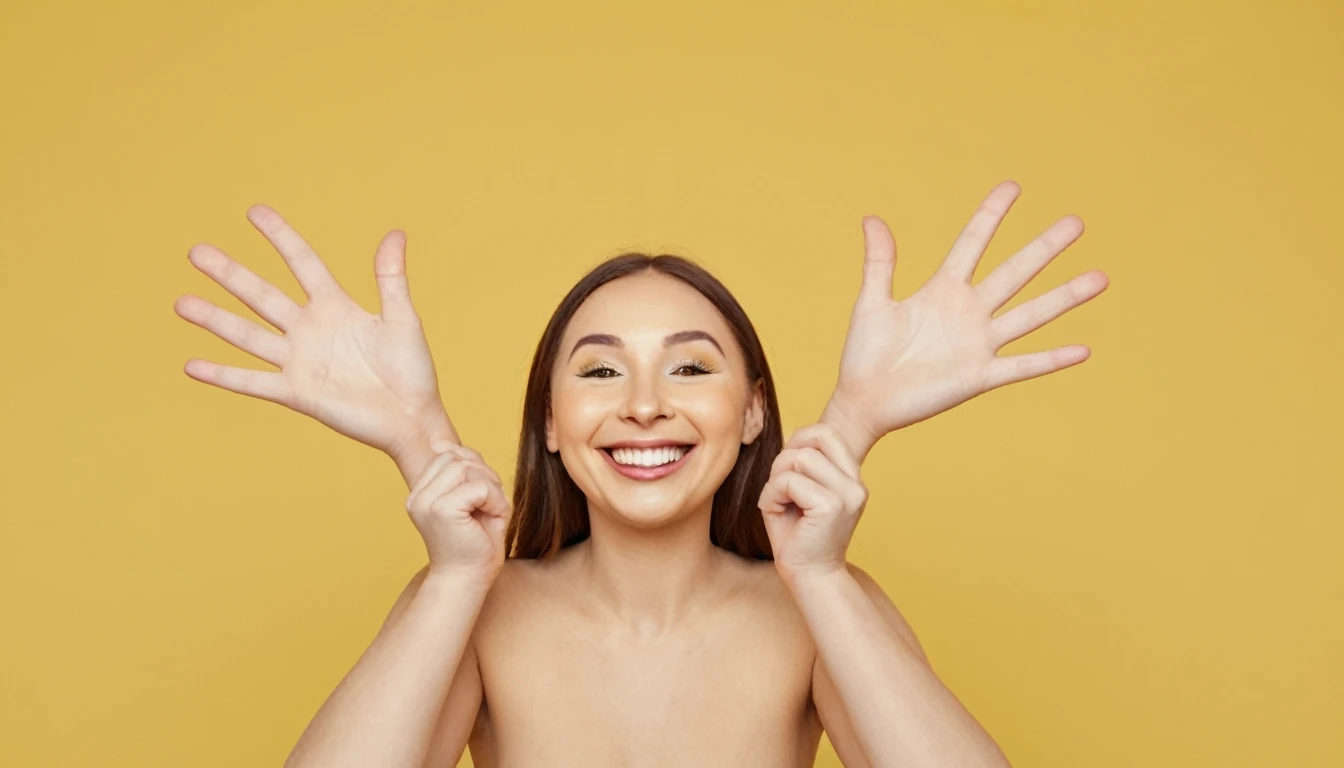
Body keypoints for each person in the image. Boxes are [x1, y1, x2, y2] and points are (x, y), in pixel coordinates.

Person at [174, 180, 1107, 767]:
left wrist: (844, 462)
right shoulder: (477, 608)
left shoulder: (816, 611)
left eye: (693, 366)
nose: (647, 404)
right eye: (600, 369)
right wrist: (427, 457)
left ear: (751, 413)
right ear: (550, 418)